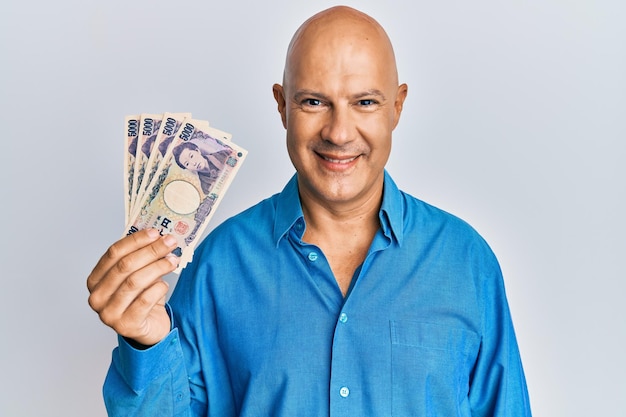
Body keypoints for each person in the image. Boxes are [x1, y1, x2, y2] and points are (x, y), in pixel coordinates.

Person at [87, 5, 531, 416]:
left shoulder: (465, 261)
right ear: (282, 105)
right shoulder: (220, 263)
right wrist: (145, 342)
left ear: (397, 106)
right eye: (314, 102)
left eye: (365, 102)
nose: (338, 133)